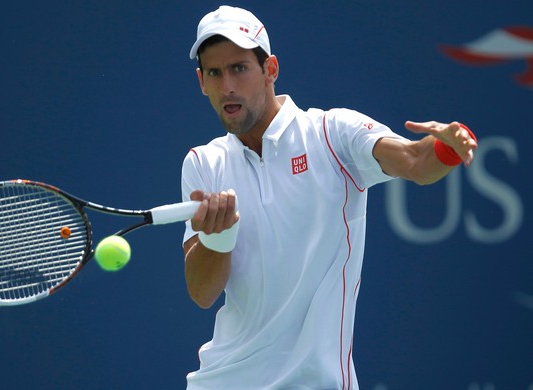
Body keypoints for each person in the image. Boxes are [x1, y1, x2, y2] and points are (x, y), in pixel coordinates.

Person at [181, 5, 477, 389]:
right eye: (214, 74)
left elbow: (415, 161)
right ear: (201, 82)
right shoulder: (203, 162)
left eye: (239, 68)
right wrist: (217, 238)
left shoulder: (332, 133)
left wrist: (447, 149)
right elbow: (202, 293)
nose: (227, 87)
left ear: (270, 69)